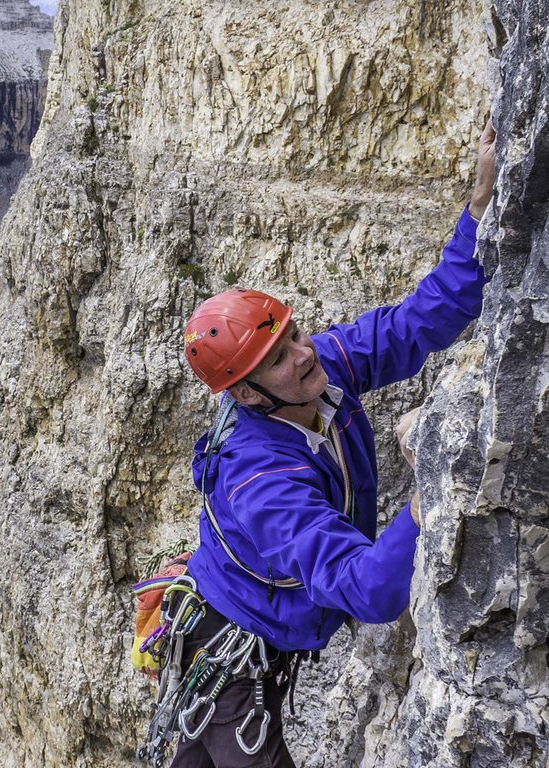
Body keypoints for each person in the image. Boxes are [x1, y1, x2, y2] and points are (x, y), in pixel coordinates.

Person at [168, 119, 497, 768]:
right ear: (247, 395)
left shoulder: (320, 367)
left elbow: (417, 323)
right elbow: (369, 590)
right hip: (230, 654)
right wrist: (430, 492)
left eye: (293, 333)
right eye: (277, 356)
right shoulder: (258, 482)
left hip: (255, 633)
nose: (301, 353)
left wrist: (480, 212)